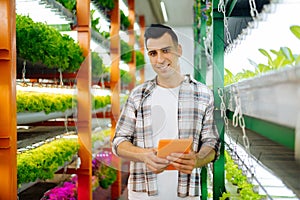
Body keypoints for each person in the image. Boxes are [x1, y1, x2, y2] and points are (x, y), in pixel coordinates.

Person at [112, 24, 220, 199]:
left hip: (186, 195)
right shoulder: (138, 95)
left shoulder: (203, 95)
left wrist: (198, 159)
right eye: (153, 53)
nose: (159, 60)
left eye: (166, 51)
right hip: (143, 195)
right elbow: (119, 142)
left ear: (179, 50)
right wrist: (144, 155)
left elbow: (212, 142)